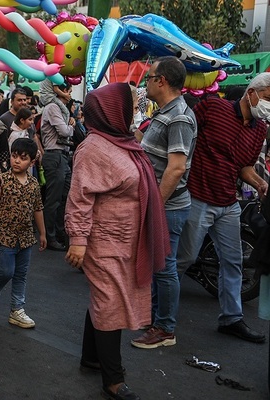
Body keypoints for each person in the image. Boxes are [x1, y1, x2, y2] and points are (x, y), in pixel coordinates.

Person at [65, 82, 169, 400]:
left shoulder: (121, 141)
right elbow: (79, 198)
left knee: (103, 297)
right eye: (130, 105)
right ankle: (114, 379)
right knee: (109, 301)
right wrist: (78, 240)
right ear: (114, 111)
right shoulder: (93, 148)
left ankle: (92, 357)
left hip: (124, 240)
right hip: (103, 240)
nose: (135, 110)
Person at [176, 73, 270, 344]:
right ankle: (156, 307)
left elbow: (244, 167)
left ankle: (231, 318)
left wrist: (260, 183)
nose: (267, 106)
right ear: (251, 93)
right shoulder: (213, 107)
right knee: (185, 258)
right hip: (199, 197)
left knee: (233, 263)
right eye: (266, 98)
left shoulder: (259, 129)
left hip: (228, 204)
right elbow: (185, 136)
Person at [131, 57, 197, 350]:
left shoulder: (179, 116)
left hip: (168, 207)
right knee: (159, 265)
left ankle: (165, 328)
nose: (146, 81)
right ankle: (156, 318)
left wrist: (155, 204)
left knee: (165, 268)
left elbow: (176, 168)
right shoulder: (164, 112)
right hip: (160, 203)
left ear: (163, 81)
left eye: (150, 76)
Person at [0, 138, 46, 329]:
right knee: (6, 271)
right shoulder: (1, 180)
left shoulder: (33, 184)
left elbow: (37, 209)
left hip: (26, 237)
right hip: (5, 235)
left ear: (31, 162)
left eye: (22, 158)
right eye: (14, 156)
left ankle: (17, 309)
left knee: (21, 274)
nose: (16, 161)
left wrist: (43, 233)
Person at [40, 84, 74, 251]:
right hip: (54, 155)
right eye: (68, 90)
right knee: (53, 200)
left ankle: (60, 234)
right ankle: (49, 236)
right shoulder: (53, 107)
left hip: (62, 156)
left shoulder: (61, 109)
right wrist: (71, 126)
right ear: (62, 91)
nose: (70, 94)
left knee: (64, 197)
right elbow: (64, 131)